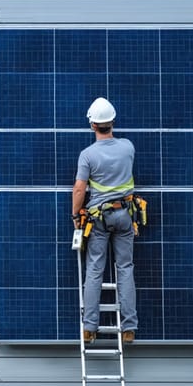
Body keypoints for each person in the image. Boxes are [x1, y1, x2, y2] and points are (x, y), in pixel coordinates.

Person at [71, 97, 137, 345]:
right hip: (125, 214)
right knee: (125, 268)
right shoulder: (128, 147)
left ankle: (89, 328)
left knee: (95, 269)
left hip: (98, 217)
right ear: (113, 121)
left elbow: (79, 189)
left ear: (92, 125)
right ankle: (129, 328)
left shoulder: (87, 155)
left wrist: (75, 215)